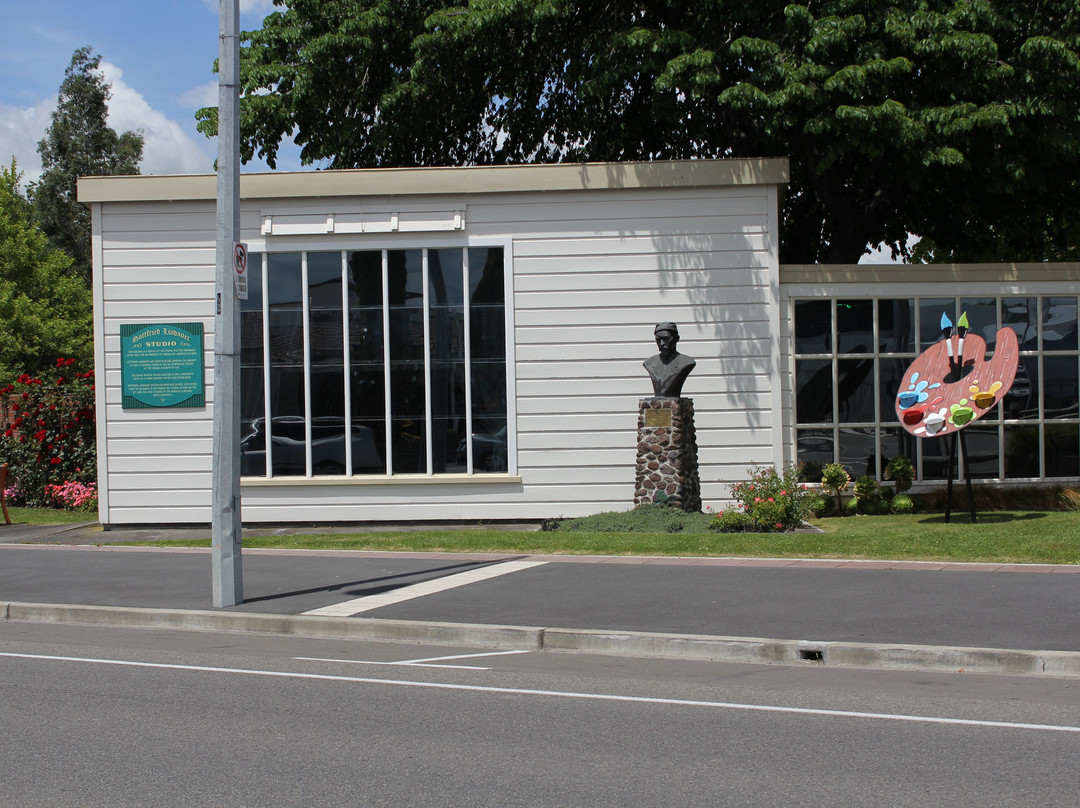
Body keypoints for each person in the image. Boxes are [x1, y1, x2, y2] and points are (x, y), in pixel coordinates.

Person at [644, 322, 696, 398]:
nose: (661, 343)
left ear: (677, 339)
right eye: (658, 340)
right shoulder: (649, 363)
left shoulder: (686, 362)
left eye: (666, 339)